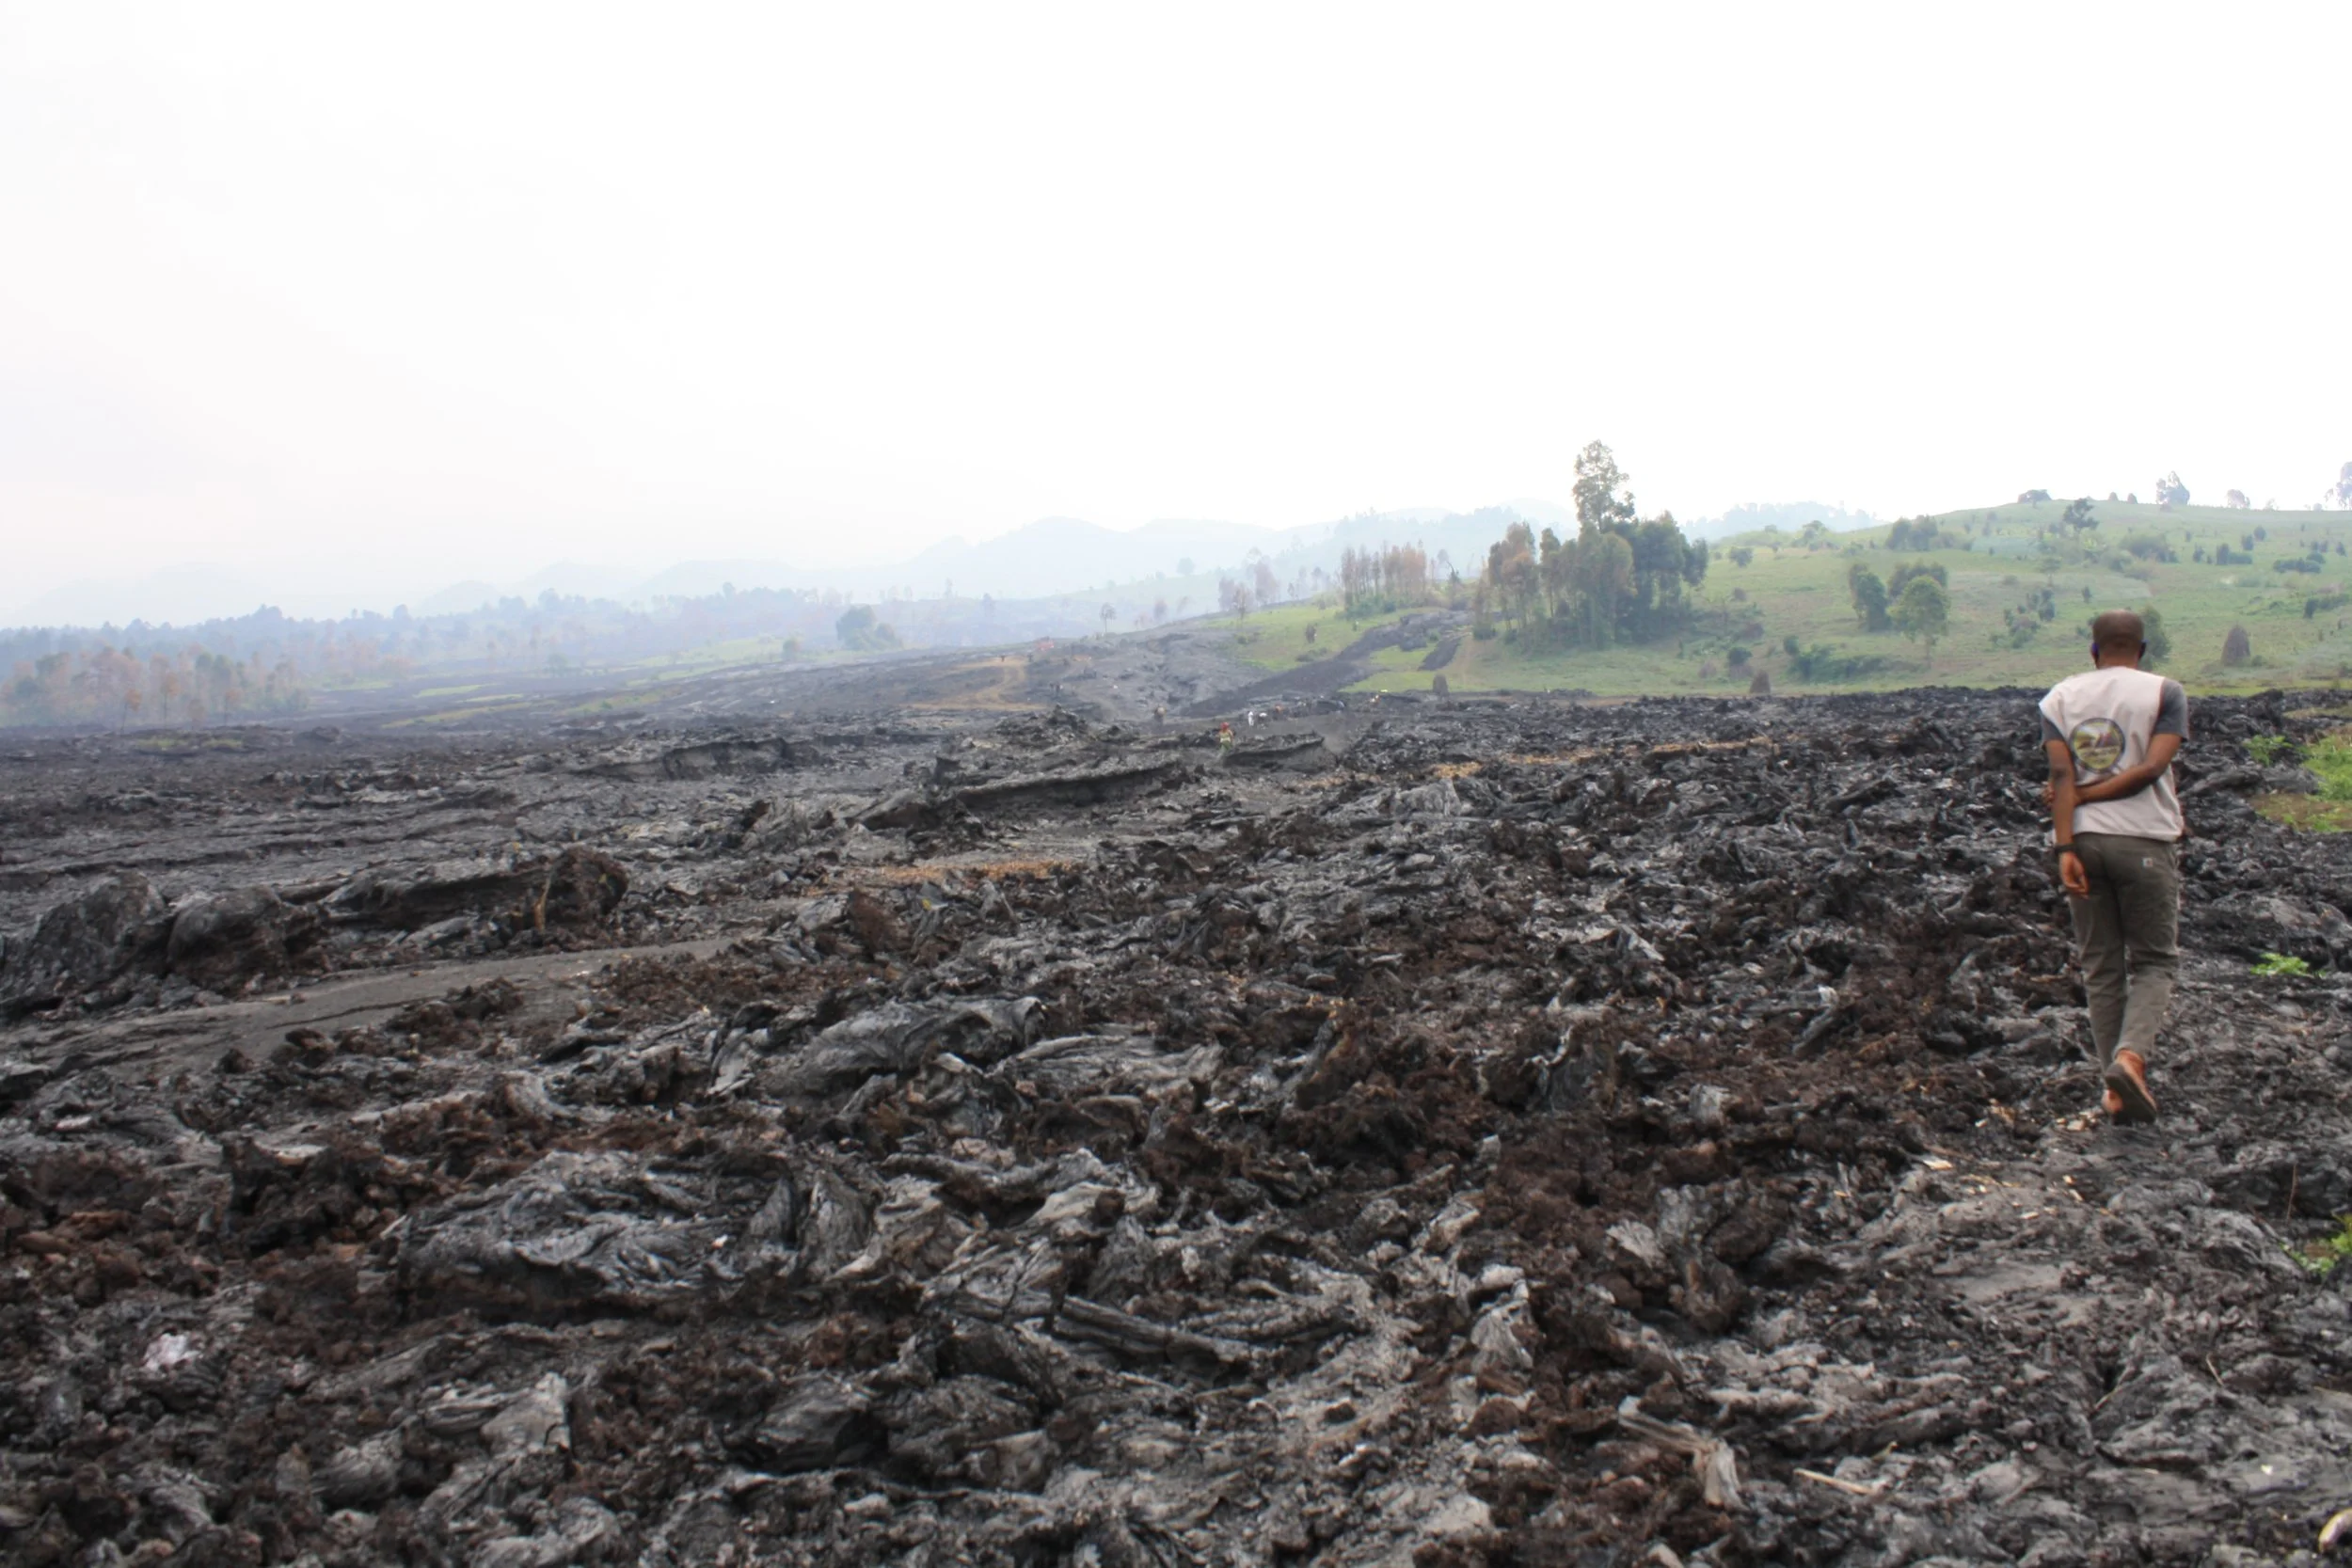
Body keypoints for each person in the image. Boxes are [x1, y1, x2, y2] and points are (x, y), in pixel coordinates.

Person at [2040, 610, 2187, 1123]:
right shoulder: (2164, 692)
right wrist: (2085, 792)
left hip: (2083, 842)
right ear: (2143, 649)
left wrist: (2064, 848)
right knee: (2153, 961)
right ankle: (2130, 1059)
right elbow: (2151, 769)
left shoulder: (2060, 697)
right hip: (2145, 840)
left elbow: (2061, 775)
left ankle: (2116, 1092)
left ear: (2093, 650)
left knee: (2101, 966)